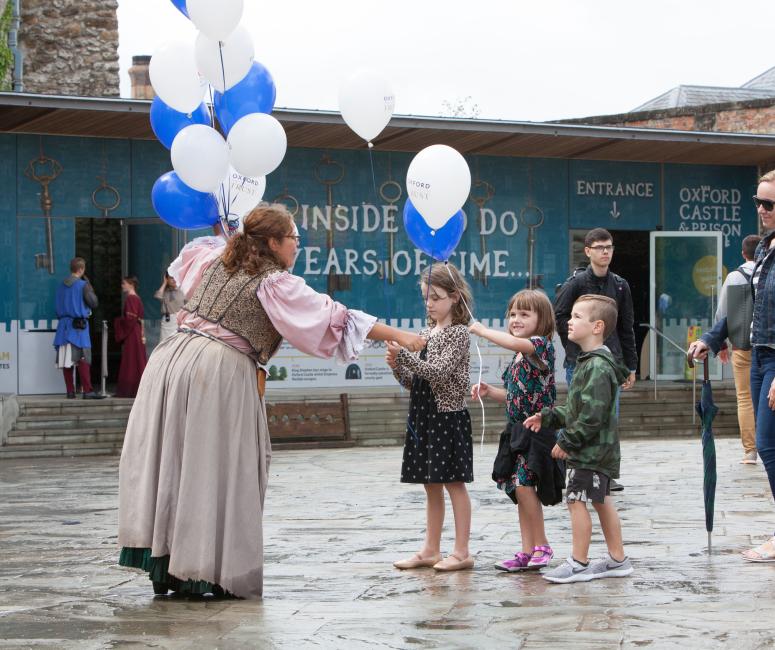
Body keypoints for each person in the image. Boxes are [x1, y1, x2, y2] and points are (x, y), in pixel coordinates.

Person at [118, 204, 425, 598]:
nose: (298, 247)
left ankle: (170, 568)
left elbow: (186, 265)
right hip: (216, 370)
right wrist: (399, 336)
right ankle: (201, 570)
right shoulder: (272, 282)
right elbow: (333, 317)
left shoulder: (216, 258)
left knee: (178, 462)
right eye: (294, 239)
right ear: (274, 242)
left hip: (171, 361)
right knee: (213, 466)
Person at [689, 169, 775, 563]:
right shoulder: (765, 249)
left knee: (769, 445)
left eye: (769, 204)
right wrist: (711, 338)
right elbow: (748, 308)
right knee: (767, 443)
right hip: (757, 354)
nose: (761, 210)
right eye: (758, 202)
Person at [525, 295, 633, 583]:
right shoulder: (592, 363)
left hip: (590, 452)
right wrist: (546, 417)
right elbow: (577, 407)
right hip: (598, 451)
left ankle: (579, 563)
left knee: (576, 500)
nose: (569, 322)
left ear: (597, 326)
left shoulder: (596, 367)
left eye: (576, 317)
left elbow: (591, 417)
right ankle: (617, 559)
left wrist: (568, 441)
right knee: (601, 500)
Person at [387, 262, 475, 572]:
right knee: (430, 484)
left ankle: (462, 551)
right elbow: (416, 383)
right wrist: (398, 366)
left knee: (454, 483)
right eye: (426, 297)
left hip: (446, 417)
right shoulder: (426, 333)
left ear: (454, 297)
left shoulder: (457, 334)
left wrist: (405, 357)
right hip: (423, 416)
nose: (430, 304)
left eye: (436, 297)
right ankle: (430, 549)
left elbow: (439, 375)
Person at [470, 289, 564, 572]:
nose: (516, 319)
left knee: (525, 485)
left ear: (542, 319)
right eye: (512, 314)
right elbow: (513, 396)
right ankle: (526, 549)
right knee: (518, 489)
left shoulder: (540, 347)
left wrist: (484, 332)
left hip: (538, 430)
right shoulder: (518, 359)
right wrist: (490, 392)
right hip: (516, 432)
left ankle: (542, 545)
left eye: (525, 314)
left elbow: (512, 342)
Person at [554, 228, 637, 492]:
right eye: (600, 247)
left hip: (611, 361)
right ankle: (572, 467)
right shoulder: (576, 283)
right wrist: (573, 347)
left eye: (609, 247)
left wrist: (631, 365)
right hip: (579, 358)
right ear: (587, 251)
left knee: (608, 416)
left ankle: (605, 473)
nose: (605, 252)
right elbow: (560, 316)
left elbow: (627, 326)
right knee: (578, 412)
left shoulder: (621, 285)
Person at [715, 234, 761, 464]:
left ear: (743, 253)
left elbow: (722, 313)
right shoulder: (768, 274)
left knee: (744, 398)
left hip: (742, 344)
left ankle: (750, 451)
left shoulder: (734, 277)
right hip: (767, 345)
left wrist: (721, 343)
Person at [53, 257, 102, 399]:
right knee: (83, 359)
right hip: (78, 327)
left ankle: (70, 391)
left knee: (66, 360)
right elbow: (94, 303)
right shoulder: (83, 285)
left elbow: (57, 308)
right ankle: (87, 391)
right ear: (81, 269)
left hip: (63, 327)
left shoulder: (61, 286)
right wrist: (90, 287)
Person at [114, 276, 148, 398]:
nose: (122, 285)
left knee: (132, 359)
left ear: (131, 284)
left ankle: (131, 389)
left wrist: (118, 322)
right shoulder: (135, 298)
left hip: (132, 333)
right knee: (136, 359)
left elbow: (130, 319)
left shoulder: (131, 299)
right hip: (135, 331)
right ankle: (138, 388)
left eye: (124, 283)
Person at [154, 272, 185, 342]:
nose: (174, 280)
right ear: (167, 279)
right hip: (168, 321)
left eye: (175, 277)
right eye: (171, 278)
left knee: (177, 343)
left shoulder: (181, 290)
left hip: (179, 320)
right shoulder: (164, 292)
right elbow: (158, 296)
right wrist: (164, 283)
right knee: (165, 342)